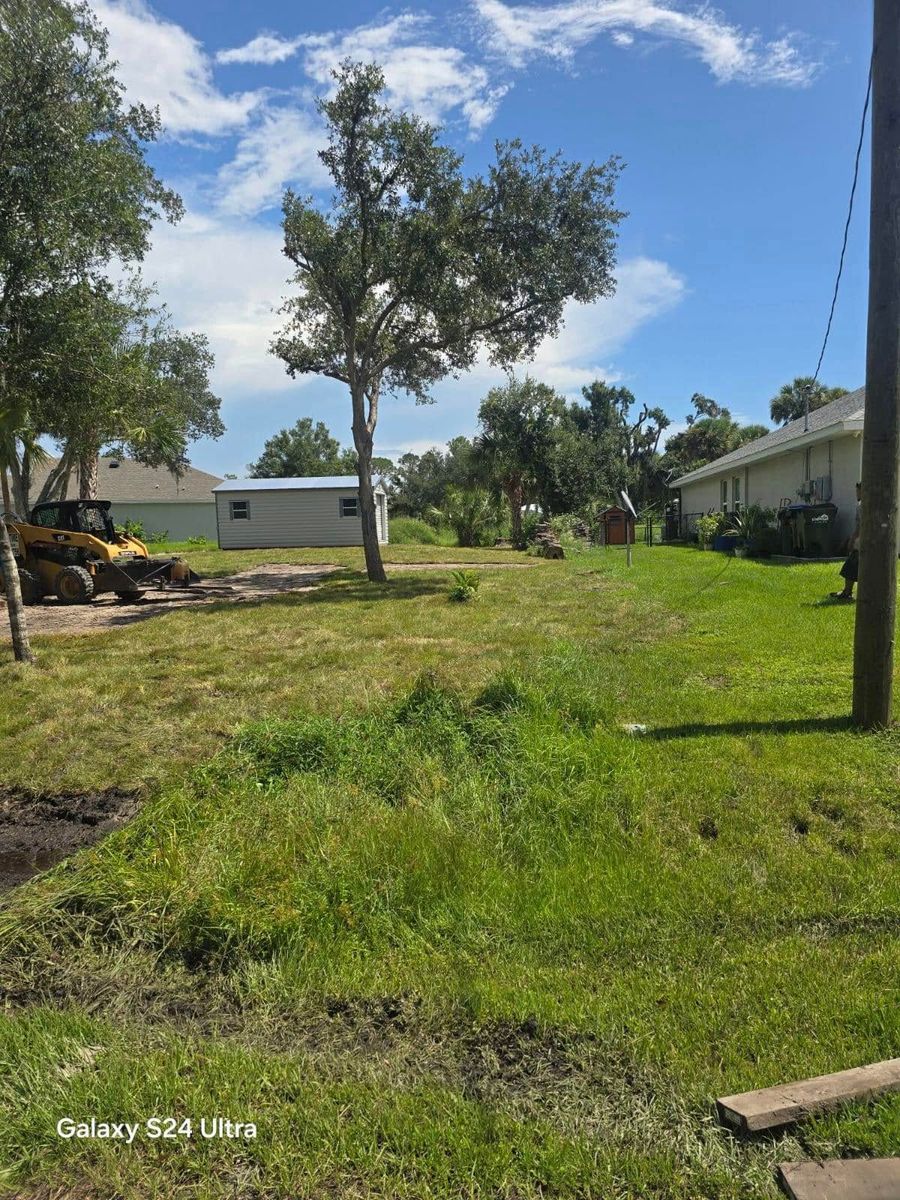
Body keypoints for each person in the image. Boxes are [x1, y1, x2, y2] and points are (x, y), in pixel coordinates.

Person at [831, 482, 861, 601]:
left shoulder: (861, 506)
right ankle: (847, 591)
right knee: (853, 567)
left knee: (850, 567)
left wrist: (852, 539)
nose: (857, 494)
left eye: (858, 491)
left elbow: (860, 526)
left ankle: (847, 592)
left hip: (861, 542)